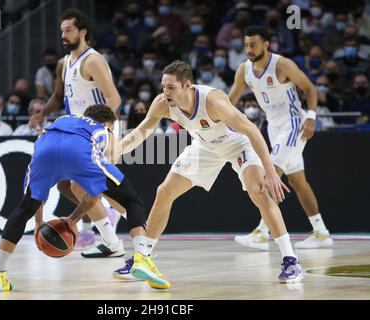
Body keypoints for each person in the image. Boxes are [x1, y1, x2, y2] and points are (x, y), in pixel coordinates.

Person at [118, 60, 303, 289]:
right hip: (204, 146)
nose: (165, 92)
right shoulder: (163, 103)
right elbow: (141, 131)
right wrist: (116, 150)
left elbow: (252, 130)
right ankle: (142, 257)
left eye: (171, 87)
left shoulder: (213, 101)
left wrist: (270, 172)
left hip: (236, 143)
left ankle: (291, 260)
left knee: (258, 191)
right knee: (164, 191)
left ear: (187, 85)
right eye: (163, 87)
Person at [0, 105, 151, 292]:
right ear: (108, 124)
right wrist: (72, 220)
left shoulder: (64, 120)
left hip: (44, 149)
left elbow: (54, 188)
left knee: (25, 207)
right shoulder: (103, 129)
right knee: (131, 200)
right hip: (79, 152)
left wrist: (39, 222)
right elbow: (95, 193)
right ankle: (142, 258)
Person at [29, 8, 125, 257]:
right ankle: (107, 212)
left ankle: (114, 239)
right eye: (61, 30)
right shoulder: (63, 63)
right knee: (64, 186)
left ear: (82, 32)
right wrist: (42, 112)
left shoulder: (93, 60)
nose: (63, 34)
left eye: (68, 29)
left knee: (81, 186)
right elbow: (59, 96)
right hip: (75, 133)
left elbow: (114, 98)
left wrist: (101, 128)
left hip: (99, 131)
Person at [229, 26, 333, 250]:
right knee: (297, 181)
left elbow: (310, 88)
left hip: (295, 123)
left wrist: (312, 117)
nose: (248, 49)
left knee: (270, 174)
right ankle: (321, 232)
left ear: (266, 44)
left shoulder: (282, 64)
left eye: (253, 44)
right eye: (246, 45)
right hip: (274, 126)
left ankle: (262, 232)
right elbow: (229, 101)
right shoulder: (244, 70)